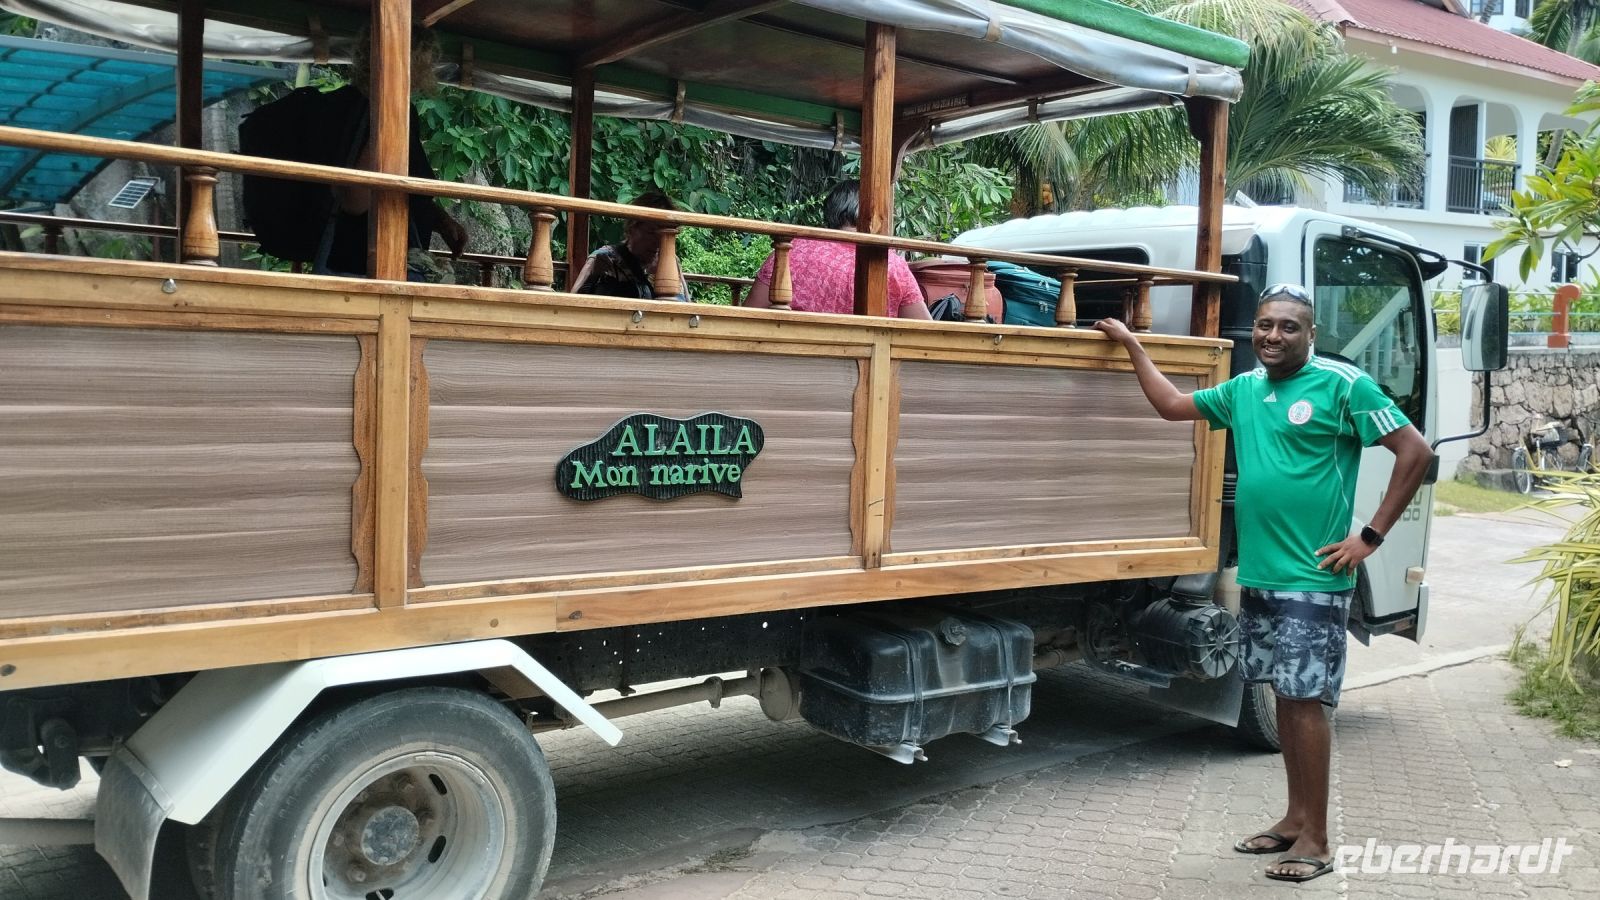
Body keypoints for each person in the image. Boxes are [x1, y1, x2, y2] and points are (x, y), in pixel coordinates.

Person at [1093, 284, 1432, 884]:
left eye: (1288, 327)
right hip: (1261, 574)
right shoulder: (1245, 390)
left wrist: (1371, 537)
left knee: (1305, 704)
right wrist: (1130, 344)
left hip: (1314, 576)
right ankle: (1294, 818)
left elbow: (1415, 451)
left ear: (1311, 335)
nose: (1273, 336)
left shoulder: (1344, 386)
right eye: (1265, 325)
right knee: (1283, 696)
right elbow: (1172, 406)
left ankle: (1318, 840)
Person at [319, 28, 467, 277]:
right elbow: (355, 200)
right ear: (413, 61)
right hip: (367, 262)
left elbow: (405, 187)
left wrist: (441, 221)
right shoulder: (383, 110)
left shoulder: (344, 104)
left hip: (353, 258)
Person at [743, 180, 931, 319]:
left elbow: (749, 314)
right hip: (866, 366)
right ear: (875, 214)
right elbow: (924, 329)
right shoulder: (892, 264)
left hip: (788, 363)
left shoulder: (791, 249)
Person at [571, 192, 689, 301]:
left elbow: (688, 304)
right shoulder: (607, 257)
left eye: (666, 236)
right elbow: (573, 302)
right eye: (651, 233)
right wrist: (595, 275)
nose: (658, 242)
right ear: (632, 227)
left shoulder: (670, 261)